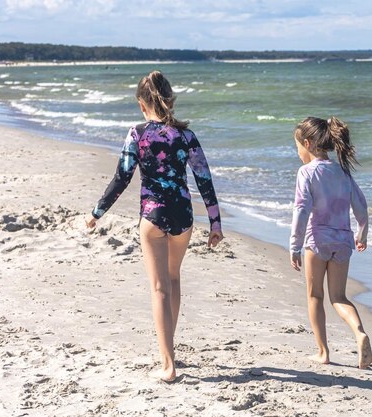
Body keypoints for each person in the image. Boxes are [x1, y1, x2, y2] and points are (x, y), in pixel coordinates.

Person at [85, 70, 223, 382]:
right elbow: (204, 179)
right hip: (183, 217)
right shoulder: (187, 137)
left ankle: (168, 363)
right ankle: (168, 351)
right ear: (170, 100)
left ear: (141, 105)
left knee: (159, 287)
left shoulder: (137, 134)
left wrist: (97, 212)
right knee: (173, 279)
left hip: (152, 217)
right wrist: (215, 221)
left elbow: (122, 178)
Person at [290, 116, 372, 369]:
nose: (298, 154)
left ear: (308, 143)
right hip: (343, 241)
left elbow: (301, 209)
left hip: (317, 240)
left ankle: (323, 352)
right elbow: (361, 205)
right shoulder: (343, 172)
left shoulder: (307, 172)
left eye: (298, 148)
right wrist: (362, 232)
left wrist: (294, 246)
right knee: (339, 297)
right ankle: (359, 333)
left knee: (315, 296)